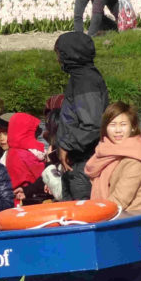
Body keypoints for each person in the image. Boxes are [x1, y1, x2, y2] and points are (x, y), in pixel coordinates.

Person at [85, 102, 141, 214]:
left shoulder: (136, 160)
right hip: (111, 213)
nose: (118, 130)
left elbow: (119, 201)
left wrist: (88, 215)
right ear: (105, 128)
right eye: (112, 124)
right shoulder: (104, 152)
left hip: (130, 217)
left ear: (133, 127)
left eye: (123, 124)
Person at [55, 31, 109, 200]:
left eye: (60, 55)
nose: (58, 60)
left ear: (70, 55)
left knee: (82, 215)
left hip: (84, 163)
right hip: (77, 161)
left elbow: (92, 124)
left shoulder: (85, 81)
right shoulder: (81, 77)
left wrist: (67, 145)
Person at [4, 112, 48, 205]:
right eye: (35, 131)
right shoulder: (24, 154)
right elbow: (43, 173)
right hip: (26, 200)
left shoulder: (11, 151)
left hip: (16, 199)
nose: (37, 134)